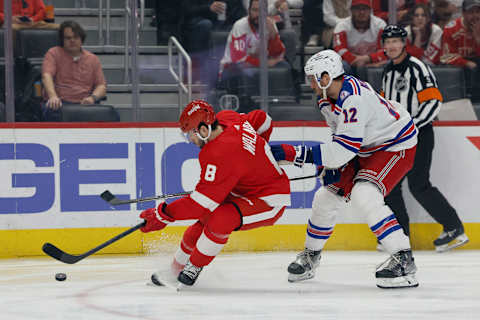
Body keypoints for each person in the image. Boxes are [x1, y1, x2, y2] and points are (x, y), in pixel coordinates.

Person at [271, 49, 419, 289]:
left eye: (312, 78)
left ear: (326, 77)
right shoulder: (324, 98)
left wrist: (297, 154)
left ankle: (404, 258)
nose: (310, 83)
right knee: (325, 196)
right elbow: (340, 138)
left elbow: (343, 149)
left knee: (365, 193)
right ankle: (311, 255)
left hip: (394, 143)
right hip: (363, 146)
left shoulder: (354, 99)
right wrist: (333, 164)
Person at [139, 100, 291, 286]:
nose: (190, 141)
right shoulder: (228, 117)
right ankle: (175, 270)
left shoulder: (217, 152)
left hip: (268, 199)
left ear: (204, 130)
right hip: (242, 191)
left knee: (220, 218)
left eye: (190, 136)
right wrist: (257, 154)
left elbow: (198, 204)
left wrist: (162, 215)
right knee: (204, 219)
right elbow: (263, 119)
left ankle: (193, 267)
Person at [381, 25, 468, 252]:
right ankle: (401, 237)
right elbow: (384, 106)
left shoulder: (418, 68)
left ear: (404, 43)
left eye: (395, 41)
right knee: (390, 186)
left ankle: (454, 228)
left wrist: (413, 126)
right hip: (397, 139)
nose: (391, 46)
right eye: (387, 42)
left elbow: (433, 101)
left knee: (419, 185)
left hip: (419, 135)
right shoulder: (387, 72)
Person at [218, 0, 289, 111]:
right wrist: (265, 63)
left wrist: (273, 35)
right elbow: (238, 59)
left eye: (261, 11)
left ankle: (281, 107)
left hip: (259, 68)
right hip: (232, 69)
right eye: (255, 10)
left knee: (284, 66)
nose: (258, 14)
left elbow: (278, 54)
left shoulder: (270, 24)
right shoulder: (240, 25)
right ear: (249, 11)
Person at [41, 21, 107, 121]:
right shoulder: (53, 53)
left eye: (75, 37)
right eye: (68, 38)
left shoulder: (92, 59)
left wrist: (93, 98)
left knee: (111, 114)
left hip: (85, 103)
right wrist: (53, 96)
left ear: (81, 39)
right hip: (60, 103)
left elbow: (101, 86)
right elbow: (47, 76)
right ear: (62, 40)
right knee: (51, 111)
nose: (72, 40)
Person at [440, 0, 480, 102]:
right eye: (471, 12)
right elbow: (445, 57)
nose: (475, 16)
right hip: (458, 67)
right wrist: (467, 63)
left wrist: (477, 38)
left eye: (478, 12)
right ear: (463, 13)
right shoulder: (451, 29)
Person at [332, 0, 388, 73]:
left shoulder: (380, 25)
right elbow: (339, 50)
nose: (361, 12)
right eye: (358, 9)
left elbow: (386, 50)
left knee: (388, 63)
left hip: (374, 63)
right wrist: (355, 60)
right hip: (351, 64)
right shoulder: (342, 26)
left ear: (370, 10)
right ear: (351, 10)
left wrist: (368, 59)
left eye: (365, 9)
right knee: (342, 65)